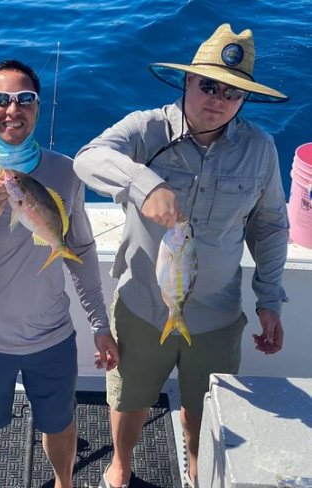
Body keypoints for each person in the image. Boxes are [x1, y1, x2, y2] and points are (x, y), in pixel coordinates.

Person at [73, 24, 289, 488]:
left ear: (244, 100)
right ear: (187, 81)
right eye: (208, 84)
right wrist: (143, 183)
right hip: (142, 308)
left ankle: (196, 467)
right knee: (128, 399)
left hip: (217, 313)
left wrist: (268, 298)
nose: (218, 99)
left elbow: (269, 225)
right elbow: (87, 158)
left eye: (232, 92)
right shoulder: (145, 129)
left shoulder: (260, 149)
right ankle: (120, 465)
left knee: (201, 402)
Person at [0, 59, 117, 488]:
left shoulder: (66, 171)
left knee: (60, 424)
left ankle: (64, 483)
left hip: (52, 335)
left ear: (38, 107)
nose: (12, 109)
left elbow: (82, 251)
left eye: (25, 99)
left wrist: (100, 324)